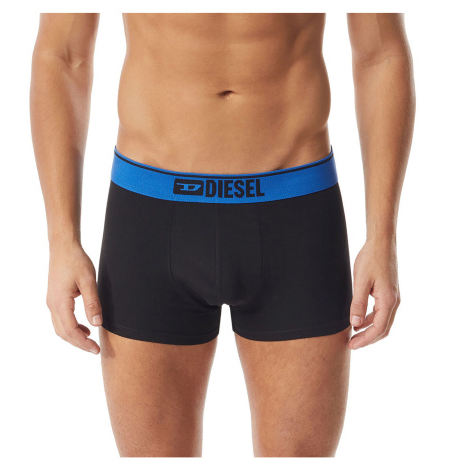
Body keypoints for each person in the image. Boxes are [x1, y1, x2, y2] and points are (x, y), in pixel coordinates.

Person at [30, 13, 415, 457]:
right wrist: (62, 239)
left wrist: (382, 236)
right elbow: (63, 55)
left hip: (296, 215)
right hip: (150, 214)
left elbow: (380, 53)